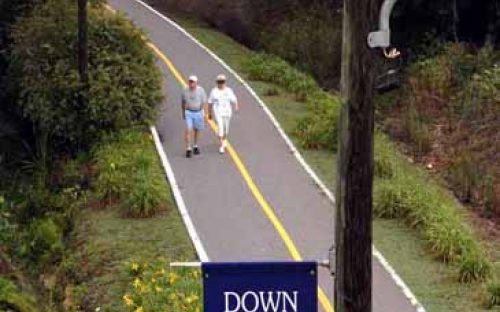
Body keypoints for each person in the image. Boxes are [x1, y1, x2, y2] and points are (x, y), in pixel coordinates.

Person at [208, 74, 239, 154]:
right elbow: (210, 103)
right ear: (217, 82)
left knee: (226, 130)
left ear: (225, 82)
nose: (221, 83)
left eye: (222, 82)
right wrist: (210, 113)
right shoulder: (214, 91)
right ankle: (222, 146)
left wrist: (236, 106)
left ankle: (224, 139)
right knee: (221, 127)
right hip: (218, 112)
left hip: (227, 112)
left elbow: (234, 99)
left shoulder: (229, 90)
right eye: (219, 82)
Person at [181, 75, 207, 158]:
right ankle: (188, 148)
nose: (191, 83)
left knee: (197, 130)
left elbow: (203, 102)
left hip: (198, 112)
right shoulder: (185, 90)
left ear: (196, 83)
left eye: (192, 82)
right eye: (190, 81)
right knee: (188, 129)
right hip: (189, 112)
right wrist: (183, 112)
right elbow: (182, 102)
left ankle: (195, 145)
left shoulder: (201, 90)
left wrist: (204, 112)